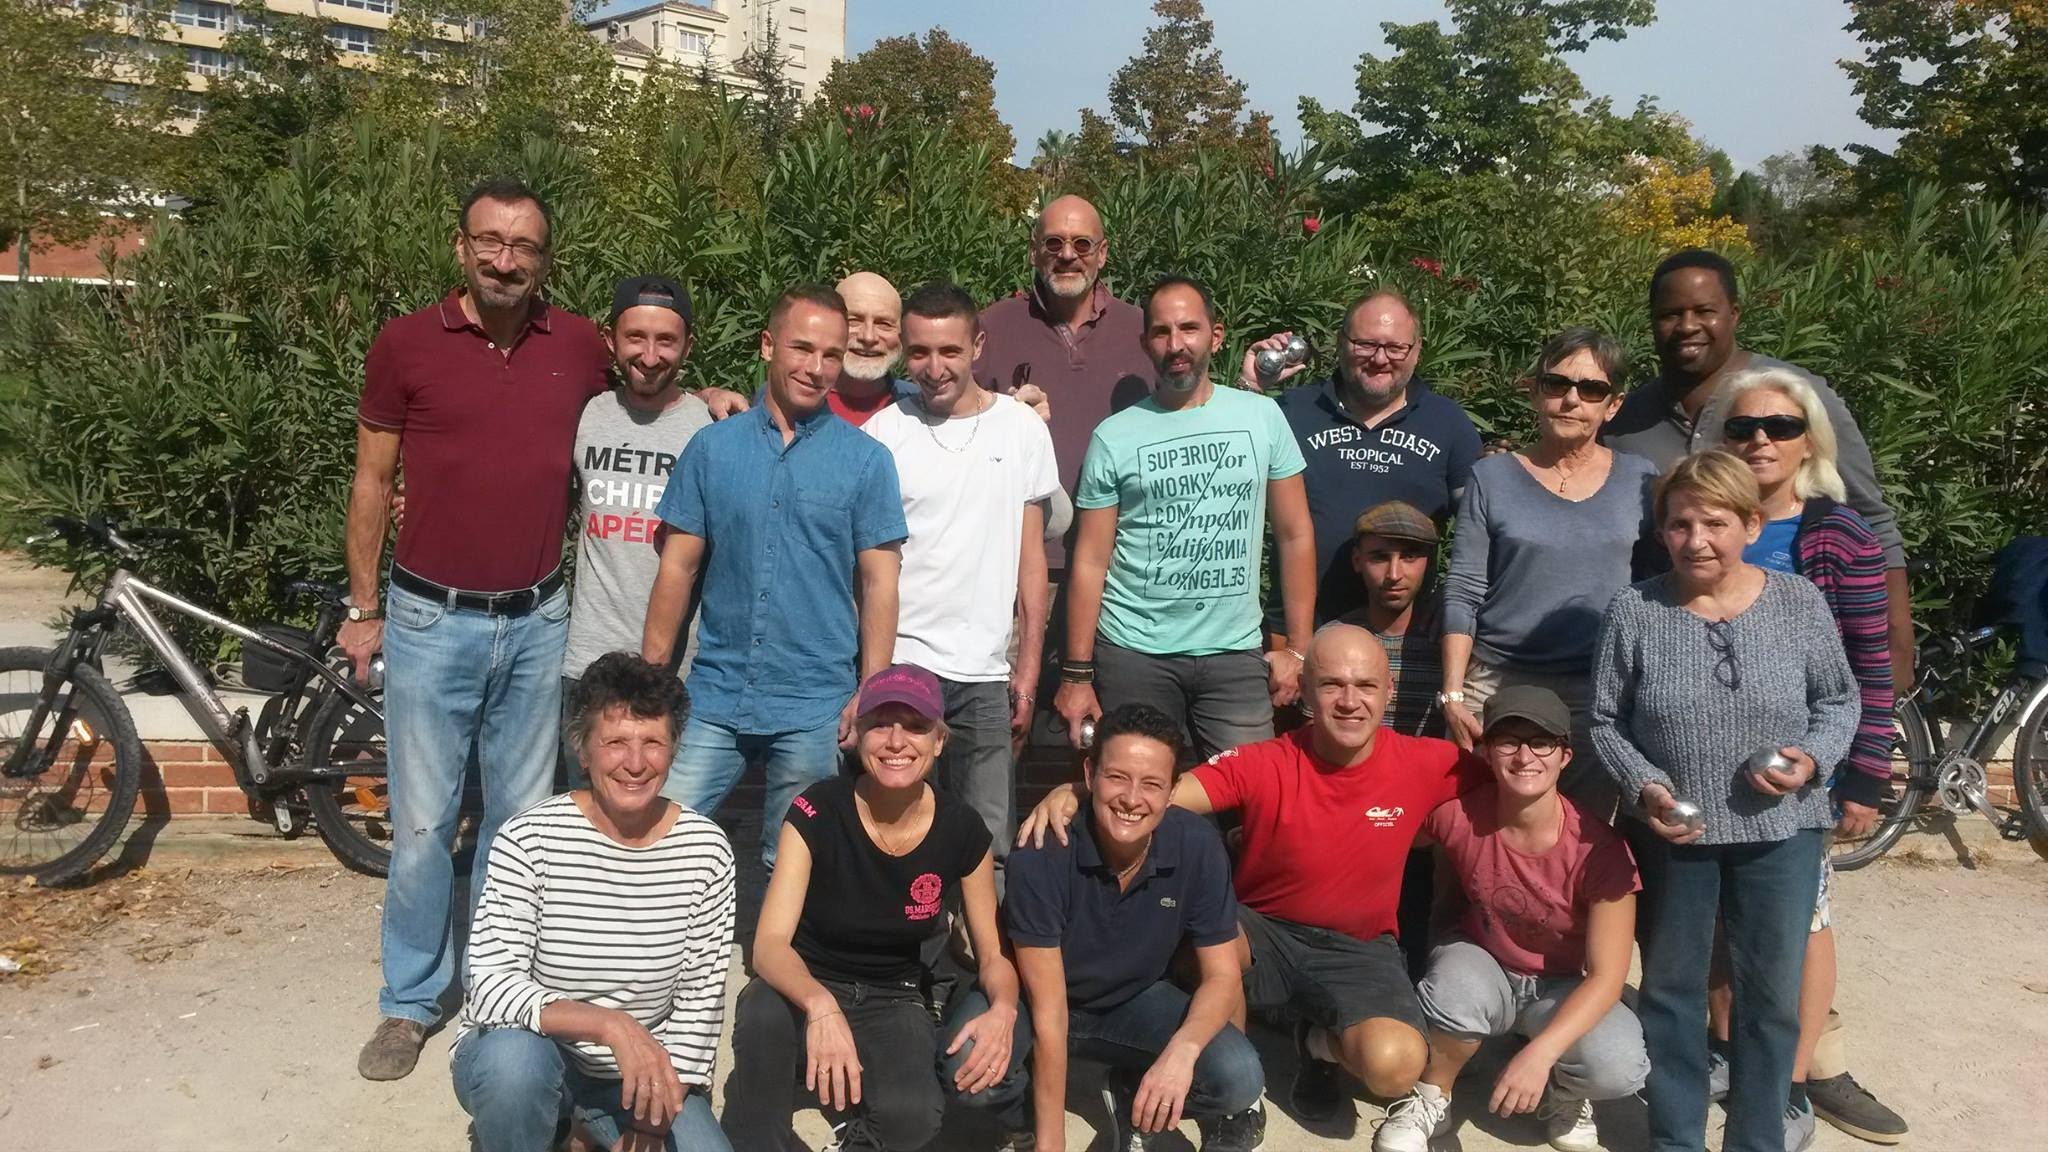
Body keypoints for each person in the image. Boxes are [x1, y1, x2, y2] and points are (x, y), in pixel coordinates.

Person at [342, 178, 605, 1081]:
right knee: (423, 826)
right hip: (429, 618)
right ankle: (410, 1001)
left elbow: (643, 401)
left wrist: (718, 398)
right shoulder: (406, 343)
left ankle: (498, 993)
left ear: (545, 261)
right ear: (461, 248)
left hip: (538, 618)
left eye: (523, 246)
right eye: (489, 241)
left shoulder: (580, 346)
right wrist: (364, 608)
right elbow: (372, 480)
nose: (504, 259)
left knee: (518, 829)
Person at [1024, 624, 1487, 1123]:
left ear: (1388, 690)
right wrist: (1076, 791)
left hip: (1360, 948)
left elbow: (1514, 787)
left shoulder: (1430, 761)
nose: (1350, 701)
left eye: (1366, 685)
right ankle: (1233, 1096)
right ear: (1304, 690)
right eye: (1332, 684)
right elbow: (1157, 794)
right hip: (1259, 931)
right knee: (1202, 950)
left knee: (1395, 1067)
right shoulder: (1265, 761)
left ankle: (1316, 1044)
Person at [1591, 450, 1860, 1152]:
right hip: (1674, 835)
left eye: (1715, 523)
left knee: (1769, 999)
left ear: (1750, 524)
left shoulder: (1798, 603)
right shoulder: (1636, 610)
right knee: (1672, 996)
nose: (1697, 540)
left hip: (1782, 832)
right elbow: (1604, 721)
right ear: (1661, 531)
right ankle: (1676, 1139)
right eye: (1681, 524)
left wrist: (1812, 758)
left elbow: (1839, 700)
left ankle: (1758, 1138)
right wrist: (1645, 785)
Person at [1708, 369, 1908, 1146]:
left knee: (1804, 921)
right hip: (1708, 764)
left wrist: (1865, 772)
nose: (1761, 440)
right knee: (1721, 920)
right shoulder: (1702, 520)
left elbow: (1870, 665)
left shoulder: (1837, 534)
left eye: (1781, 427)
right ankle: (1729, 1054)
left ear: (1809, 442)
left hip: (1802, 770)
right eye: (1744, 426)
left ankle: (1790, 1082)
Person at [641, 285, 907, 868]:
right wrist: (651, 681)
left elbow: (880, 584)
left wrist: (871, 690)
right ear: (768, 345)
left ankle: (780, 933)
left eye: (831, 355)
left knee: (793, 862)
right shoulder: (712, 449)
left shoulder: (867, 461)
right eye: (802, 348)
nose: (816, 368)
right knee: (660, 837)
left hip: (814, 700)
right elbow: (678, 568)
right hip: (716, 691)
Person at [943, 703, 1265, 1152]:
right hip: (1036, 997)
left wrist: (1182, 1052)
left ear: (1173, 790)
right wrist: (1052, 1143)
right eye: (1117, 777)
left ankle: (1132, 1094)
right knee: (966, 1070)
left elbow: (1223, 975)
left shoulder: (1197, 845)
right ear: (1090, 775)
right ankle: (1024, 1116)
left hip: (1136, 999)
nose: (1132, 798)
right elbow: (1050, 1012)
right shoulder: (1042, 850)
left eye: (1152, 784)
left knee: (1239, 1077)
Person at [725, 665, 1019, 1152]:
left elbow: (992, 955)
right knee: (760, 1028)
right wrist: (819, 1005)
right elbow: (770, 946)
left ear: (939, 742)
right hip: (805, 981)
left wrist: (1004, 1009)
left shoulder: (962, 828)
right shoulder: (817, 810)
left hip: (893, 993)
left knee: (914, 1118)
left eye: (916, 726)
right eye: (880, 724)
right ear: (859, 735)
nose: (896, 741)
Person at [453, 653, 736, 1152]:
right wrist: (608, 1024)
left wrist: (649, 1124)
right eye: (616, 742)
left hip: (639, 1072)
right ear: (583, 752)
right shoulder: (529, 838)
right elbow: (490, 988)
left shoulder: (706, 850)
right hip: (532, 1052)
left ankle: (581, 1133)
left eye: (653, 743)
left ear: (674, 751)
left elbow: (700, 1004)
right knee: (513, 1069)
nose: (635, 763)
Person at [1606, 248, 1914, 689]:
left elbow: (1872, 518)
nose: (1688, 325)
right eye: (1670, 314)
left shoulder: (1793, 396)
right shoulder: (1625, 421)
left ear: (1733, 314)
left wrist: (1896, 643)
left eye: (1704, 311)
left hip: (1803, 665)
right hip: (1679, 659)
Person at [1374, 685, 1647, 1152]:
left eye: (1541, 743)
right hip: (1484, 963)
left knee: (1618, 1064)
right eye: (1508, 741)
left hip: (1560, 983)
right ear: (1486, 751)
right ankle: (1432, 1094)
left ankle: (1565, 1092)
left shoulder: (1600, 850)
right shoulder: (1458, 815)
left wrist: (1540, 1055)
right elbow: (1381, 831)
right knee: (1454, 987)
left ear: (1565, 756)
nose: (1524, 757)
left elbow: (1607, 977)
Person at [1054, 277, 1316, 759]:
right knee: (1137, 790)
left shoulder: (1263, 418)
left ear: (1216, 336)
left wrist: (1297, 650)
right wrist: (1077, 674)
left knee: (1249, 793)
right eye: (1161, 332)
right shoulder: (1114, 436)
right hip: (1134, 653)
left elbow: (1295, 535)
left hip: (1234, 655)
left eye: (1189, 328)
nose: (1176, 345)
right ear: (1145, 343)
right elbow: (1089, 561)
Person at [862, 282, 1059, 880]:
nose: (934, 367)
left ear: (978, 345)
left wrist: (1027, 672)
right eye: (919, 352)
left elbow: (1031, 562)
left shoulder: (1021, 428)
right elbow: (871, 568)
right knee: (893, 833)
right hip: (904, 663)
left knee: (987, 842)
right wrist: (870, 676)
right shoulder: (883, 433)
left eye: (949, 350)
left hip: (984, 672)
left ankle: (981, 940)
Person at [1439, 328, 1658, 809]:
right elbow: (1464, 588)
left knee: (1584, 828)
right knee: (1478, 820)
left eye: (1592, 389)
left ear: (1613, 405)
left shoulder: (1641, 480)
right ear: (1536, 392)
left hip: (1597, 689)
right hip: (1497, 680)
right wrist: (1452, 693)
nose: (1571, 399)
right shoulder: (1491, 477)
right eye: (1557, 384)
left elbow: (1655, 589)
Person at [558, 276, 714, 783]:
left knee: (665, 812)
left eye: (666, 340)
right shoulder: (585, 414)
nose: (649, 355)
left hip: (679, 670)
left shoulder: (710, 427)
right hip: (588, 661)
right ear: (610, 340)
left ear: (688, 345)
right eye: (635, 337)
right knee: (590, 805)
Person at [1251, 290, 1482, 629]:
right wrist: (1251, 388)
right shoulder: (1292, 411)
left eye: (1396, 347)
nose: (1379, 358)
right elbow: (1222, 476)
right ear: (1340, 342)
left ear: (1417, 349)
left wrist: (1454, 601)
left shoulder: (1448, 423)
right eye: (1366, 344)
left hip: (1407, 637)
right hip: (1297, 634)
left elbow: (1483, 527)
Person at [1335, 500, 1447, 739]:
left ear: (1428, 563)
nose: (1394, 574)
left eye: (1409, 557)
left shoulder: (1448, 643)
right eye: (1380, 557)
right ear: (1357, 560)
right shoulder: (1334, 641)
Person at [832, 271, 917, 426]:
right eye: (854, 321)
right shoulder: (792, 405)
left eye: (883, 324)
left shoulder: (923, 407)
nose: (868, 337)